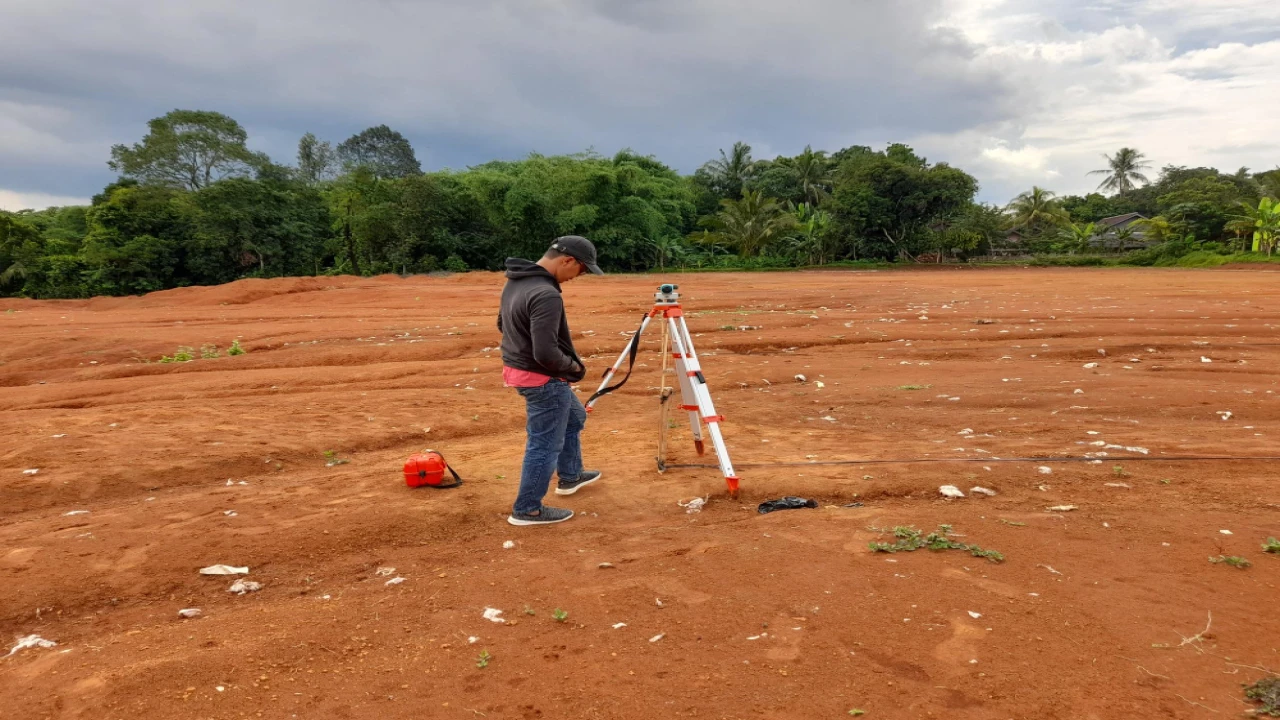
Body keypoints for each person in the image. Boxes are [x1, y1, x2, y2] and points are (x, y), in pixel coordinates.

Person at [497, 236, 605, 526]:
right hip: (543, 379)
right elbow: (545, 351)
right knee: (544, 444)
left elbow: (502, 324)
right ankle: (527, 508)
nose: (577, 277)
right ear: (567, 261)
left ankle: (570, 475)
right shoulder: (546, 294)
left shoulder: (517, 281)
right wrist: (573, 369)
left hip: (523, 370)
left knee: (574, 417)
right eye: (581, 271)